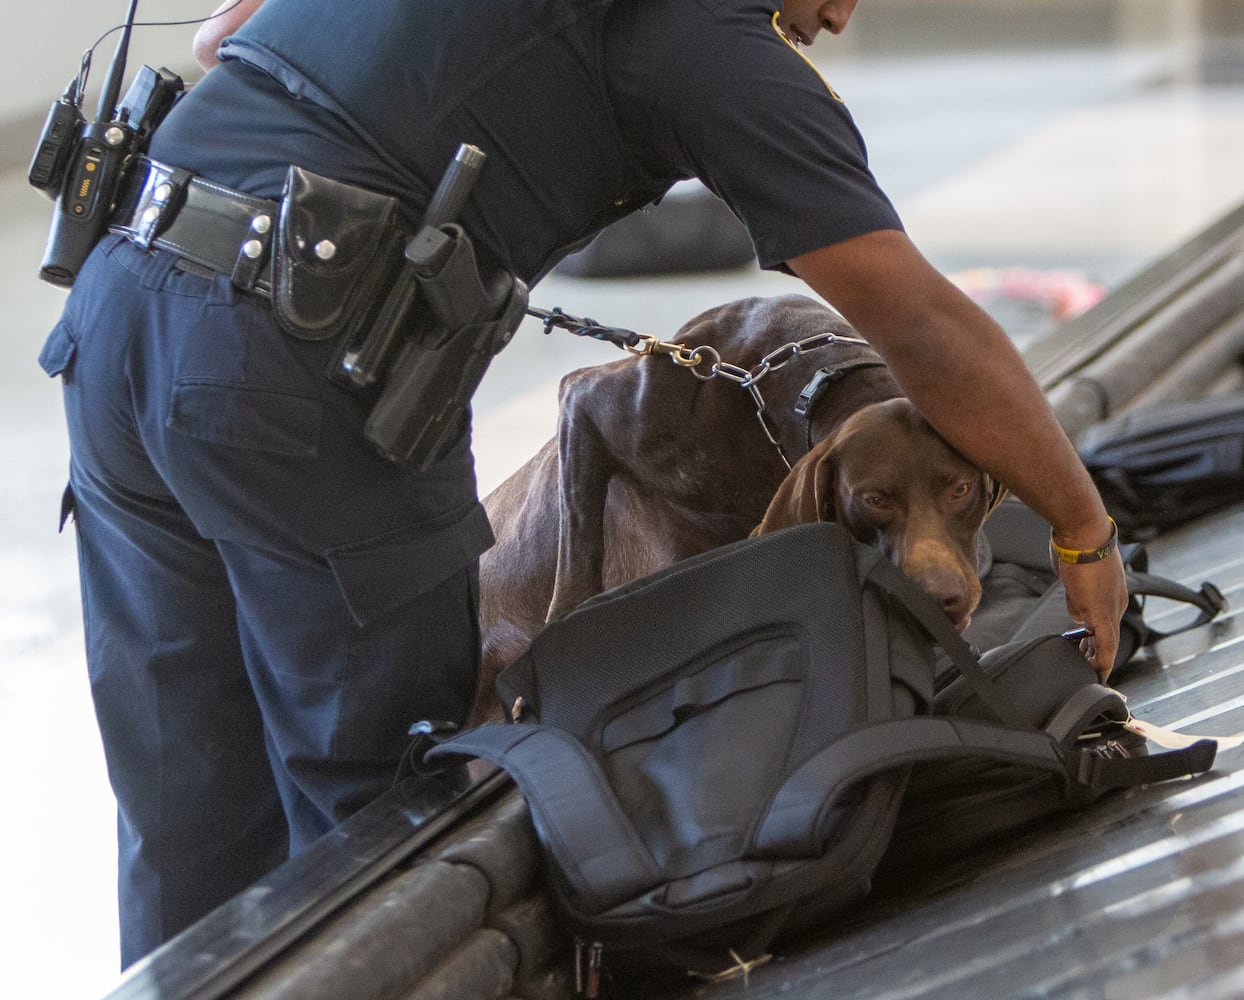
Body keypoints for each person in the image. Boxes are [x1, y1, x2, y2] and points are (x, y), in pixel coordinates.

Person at [37, 0, 1129, 969]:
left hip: (120, 304)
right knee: (381, 845)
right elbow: (921, 325)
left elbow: (227, 35)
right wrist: (1078, 525)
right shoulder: (702, 39)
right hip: (290, 377)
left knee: (185, 811)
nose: (840, 18)